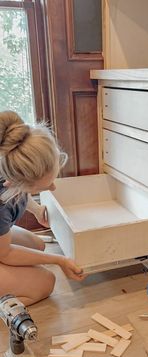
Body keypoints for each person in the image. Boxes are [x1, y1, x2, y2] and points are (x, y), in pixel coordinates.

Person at [0, 111, 85, 306]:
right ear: (15, 182)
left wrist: (36, 209)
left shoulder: (10, 159)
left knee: (37, 245)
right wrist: (59, 260)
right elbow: (5, 253)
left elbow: (20, 192)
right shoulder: (1, 205)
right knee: (45, 284)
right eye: (43, 187)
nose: (53, 188)